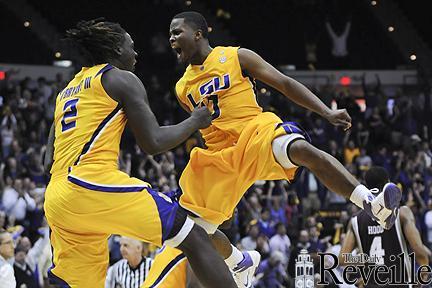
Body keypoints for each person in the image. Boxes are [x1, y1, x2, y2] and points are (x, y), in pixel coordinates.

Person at [161, 11, 402, 287]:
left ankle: (371, 203)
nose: (171, 39)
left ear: (198, 34)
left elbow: (284, 83)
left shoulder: (236, 57)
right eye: (170, 34)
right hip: (218, 154)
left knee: (300, 148)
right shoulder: (181, 88)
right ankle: (239, 262)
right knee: (195, 230)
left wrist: (326, 112)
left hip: (255, 133)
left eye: (176, 32)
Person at [43, 18, 236, 288]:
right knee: (192, 235)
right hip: (89, 181)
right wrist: (195, 121)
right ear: (115, 49)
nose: (136, 53)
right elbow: (153, 143)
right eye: (131, 46)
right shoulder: (120, 79)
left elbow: (45, 162)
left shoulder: (66, 93)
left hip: (56, 199)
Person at [339, 166, 431, 287]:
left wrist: (368, 260)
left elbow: (342, 259)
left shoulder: (355, 220)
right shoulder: (402, 213)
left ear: (367, 187)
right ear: (388, 183)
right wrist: (423, 272)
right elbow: (419, 251)